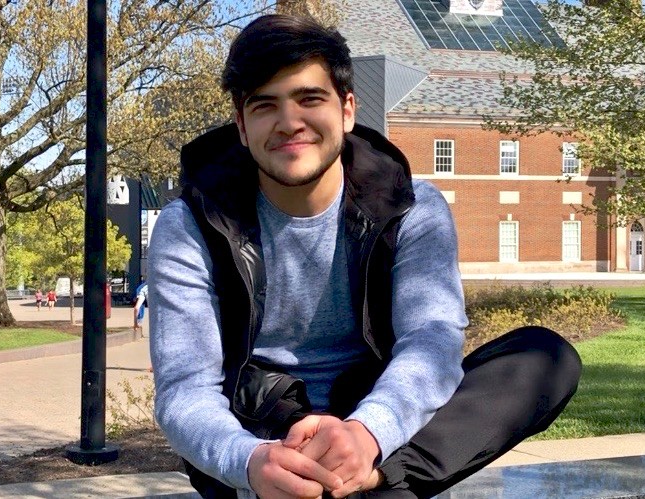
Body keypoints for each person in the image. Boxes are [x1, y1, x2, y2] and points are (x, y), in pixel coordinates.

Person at [148, 14, 582, 498]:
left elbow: (431, 341)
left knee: (544, 357)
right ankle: (358, 482)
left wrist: (366, 434)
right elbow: (186, 389)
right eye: (265, 105)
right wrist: (250, 462)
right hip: (258, 432)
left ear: (348, 110)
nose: (289, 123)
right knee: (220, 436)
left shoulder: (410, 207)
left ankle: (368, 477)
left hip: (373, 417)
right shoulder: (191, 225)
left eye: (310, 99)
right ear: (242, 126)